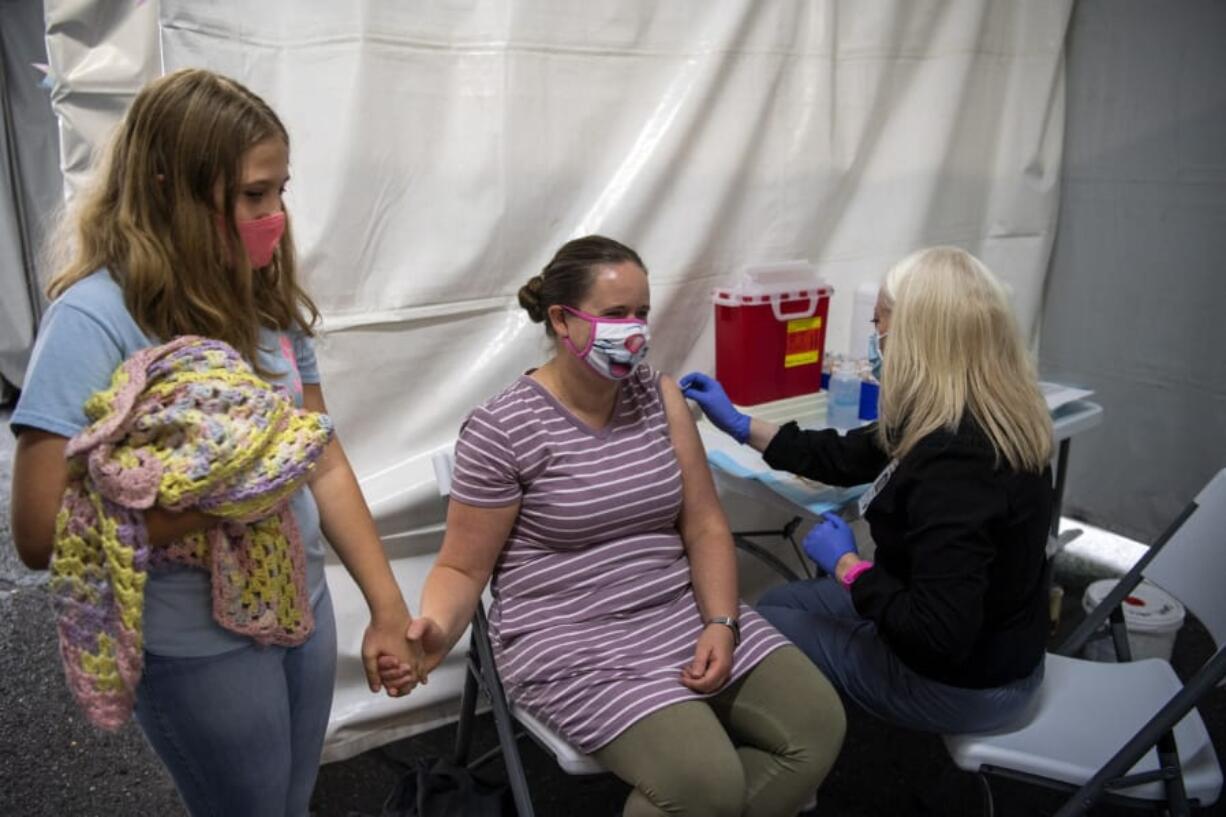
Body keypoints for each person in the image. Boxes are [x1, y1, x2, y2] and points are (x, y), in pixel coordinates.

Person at [9, 69, 418, 817]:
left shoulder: (262, 305)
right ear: (172, 190)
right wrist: (232, 495)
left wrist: (387, 605)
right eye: (255, 195)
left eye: (281, 191)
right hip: (199, 640)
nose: (277, 217)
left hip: (301, 606)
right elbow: (40, 534)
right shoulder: (94, 320)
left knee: (292, 801)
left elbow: (320, 457)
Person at [381, 236, 845, 817]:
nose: (633, 330)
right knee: (706, 785)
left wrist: (722, 623)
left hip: (677, 613)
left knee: (817, 727)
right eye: (615, 314)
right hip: (570, 639)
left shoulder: (659, 396)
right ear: (561, 320)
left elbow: (703, 525)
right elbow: (462, 565)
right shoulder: (503, 429)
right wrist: (435, 633)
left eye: (642, 313)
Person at [681, 246, 1054, 735]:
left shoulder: (961, 463)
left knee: (758, 630)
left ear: (919, 338)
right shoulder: (975, 411)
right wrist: (741, 424)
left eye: (879, 325)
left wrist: (849, 568)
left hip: (965, 683)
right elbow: (848, 455)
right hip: (996, 645)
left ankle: (800, 751)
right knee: (777, 605)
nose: (874, 341)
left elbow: (937, 634)